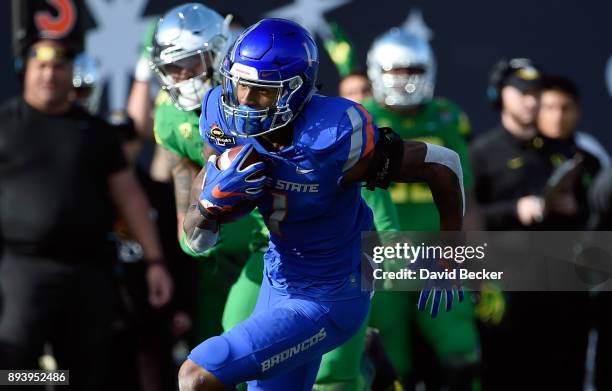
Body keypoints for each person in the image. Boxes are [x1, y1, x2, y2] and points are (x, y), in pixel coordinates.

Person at [178, 18, 465, 390]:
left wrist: (450, 252)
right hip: (277, 277)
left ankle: (367, 362)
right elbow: (197, 240)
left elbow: (444, 165)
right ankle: (372, 363)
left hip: (330, 294)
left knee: (196, 376)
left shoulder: (333, 137)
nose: (244, 103)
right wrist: (207, 208)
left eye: (261, 92)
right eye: (238, 86)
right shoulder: (221, 118)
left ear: (295, 91)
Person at [0, 38, 173, 390]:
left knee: (86, 371)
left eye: (59, 67)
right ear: (26, 72)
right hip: (22, 269)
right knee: (13, 368)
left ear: (70, 73)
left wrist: (155, 261)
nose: (50, 74)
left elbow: (130, 198)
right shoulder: (5, 125)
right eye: (41, 66)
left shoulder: (97, 133)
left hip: (89, 270)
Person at [363, 28, 480, 389]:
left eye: (412, 71)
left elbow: (468, 197)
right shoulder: (359, 118)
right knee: (387, 357)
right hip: (381, 256)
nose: (403, 81)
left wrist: (476, 261)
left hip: (438, 253)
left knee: (460, 351)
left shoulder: (446, 117)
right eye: (395, 72)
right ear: (375, 72)